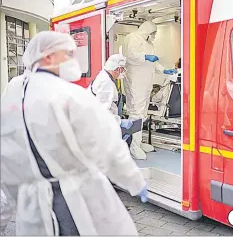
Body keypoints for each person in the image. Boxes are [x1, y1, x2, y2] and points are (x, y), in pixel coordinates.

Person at [1, 31, 148, 236]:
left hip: (32, 206)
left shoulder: (14, 89)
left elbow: (7, 154)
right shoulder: (67, 94)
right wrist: (134, 181)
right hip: (71, 197)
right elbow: (106, 146)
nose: (72, 59)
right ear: (48, 56)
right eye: (67, 54)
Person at [122, 20, 177, 160]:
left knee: (143, 113)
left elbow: (153, 62)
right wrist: (145, 57)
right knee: (136, 113)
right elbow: (130, 56)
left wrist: (164, 70)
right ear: (146, 30)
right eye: (153, 33)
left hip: (146, 83)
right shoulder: (132, 37)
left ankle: (138, 143)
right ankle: (133, 146)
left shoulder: (149, 44)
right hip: (135, 82)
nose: (154, 35)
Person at [89, 54, 133, 141]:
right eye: (122, 69)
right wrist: (119, 122)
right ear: (117, 69)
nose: (123, 72)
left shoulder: (104, 76)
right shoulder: (106, 82)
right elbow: (103, 110)